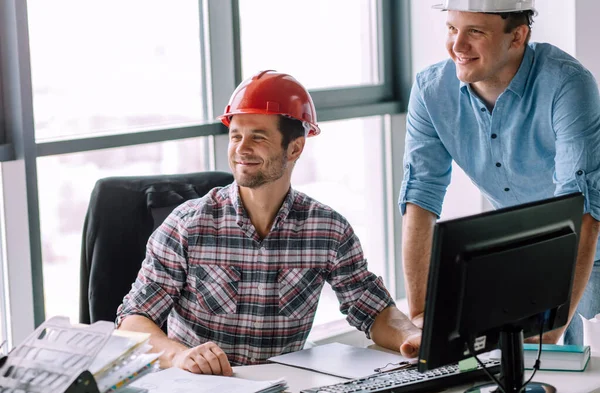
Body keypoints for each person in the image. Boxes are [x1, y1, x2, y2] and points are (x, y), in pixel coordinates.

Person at [116, 70, 422, 376]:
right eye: (235, 135)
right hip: (203, 387)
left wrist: (412, 337)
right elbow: (132, 322)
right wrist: (180, 356)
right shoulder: (188, 225)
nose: (241, 148)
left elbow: (374, 310)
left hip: (284, 386)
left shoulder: (328, 230)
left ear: (295, 148)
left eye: (257, 137)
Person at [400, 0, 600, 346]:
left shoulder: (566, 84)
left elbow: (580, 207)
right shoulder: (431, 92)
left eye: (475, 32)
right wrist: (421, 315)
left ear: (518, 36)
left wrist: (551, 328)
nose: (457, 46)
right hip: (533, 258)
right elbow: (420, 197)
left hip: (586, 241)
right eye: (452, 29)